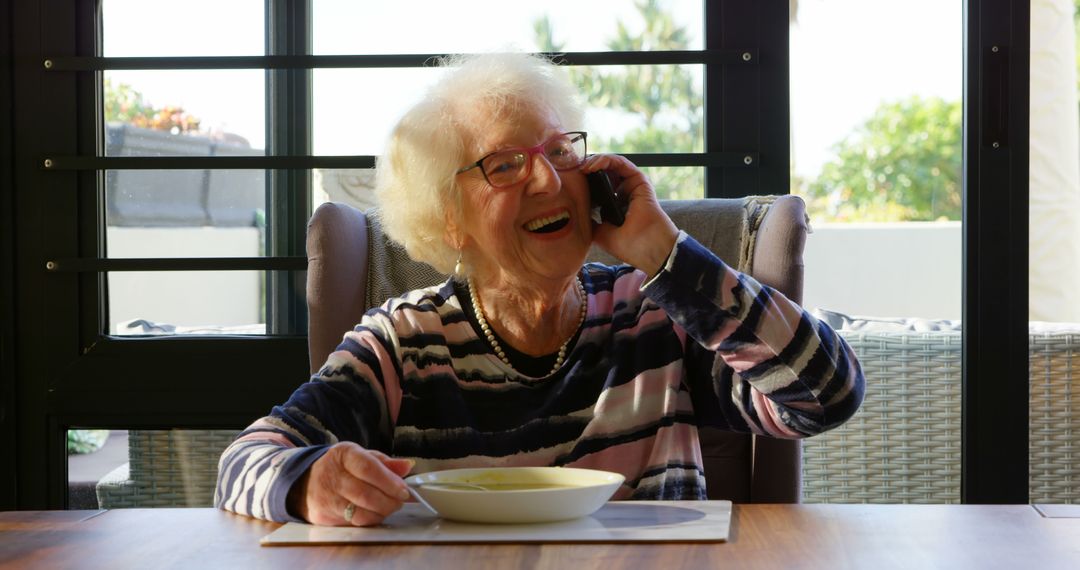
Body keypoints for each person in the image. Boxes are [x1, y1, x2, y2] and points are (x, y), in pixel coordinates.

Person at [214, 52, 865, 527]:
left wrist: (666, 254)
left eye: (560, 154)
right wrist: (306, 482)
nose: (550, 183)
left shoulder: (656, 319)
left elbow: (827, 396)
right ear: (449, 218)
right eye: (505, 165)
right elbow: (245, 463)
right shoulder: (404, 344)